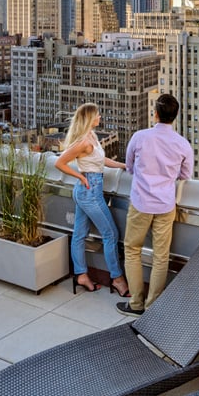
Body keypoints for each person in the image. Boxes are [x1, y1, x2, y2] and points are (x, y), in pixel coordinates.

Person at [116, 92, 192, 316]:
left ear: (155, 114)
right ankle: (153, 306)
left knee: (132, 250)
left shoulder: (140, 137)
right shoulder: (182, 144)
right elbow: (185, 174)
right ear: (175, 116)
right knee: (161, 256)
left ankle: (136, 304)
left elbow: (129, 166)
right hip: (165, 205)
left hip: (140, 203)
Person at [54, 102, 129, 297]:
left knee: (80, 233)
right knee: (110, 233)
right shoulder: (83, 143)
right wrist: (80, 177)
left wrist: (123, 165)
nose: (100, 117)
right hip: (89, 190)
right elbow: (59, 163)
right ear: (89, 118)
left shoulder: (92, 137)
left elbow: (101, 160)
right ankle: (117, 278)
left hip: (89, 190)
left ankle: (81, 275)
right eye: (97, 115)